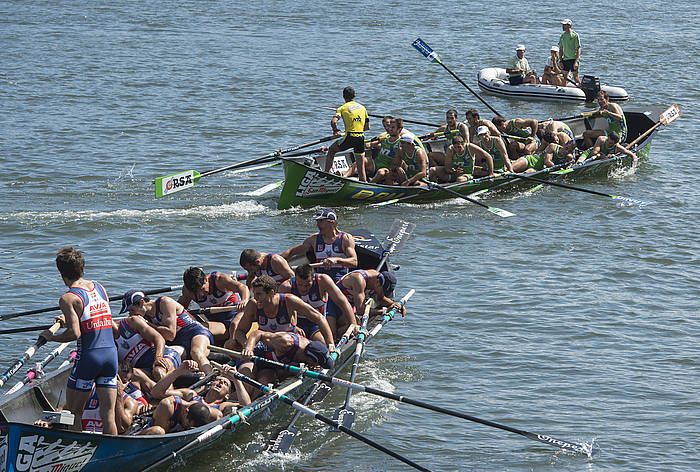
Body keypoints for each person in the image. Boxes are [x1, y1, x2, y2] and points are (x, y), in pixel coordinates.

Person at [39, 247, 118, 435]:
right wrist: (72, 317)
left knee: (74, 414)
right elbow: (111, 325)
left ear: (61, 274)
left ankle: (76, 452)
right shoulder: (100, 288)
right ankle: (113, 451)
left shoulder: (68, 298)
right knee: (108, 415)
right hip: (110, 356)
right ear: (82, 268)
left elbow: (74, 333)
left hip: (89, 358)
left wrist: (52, 338)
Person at [120, 290, 214, 375]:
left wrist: (147, 324)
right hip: (180, 343)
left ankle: (209, 376)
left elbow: (170, 335)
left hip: (195, 332)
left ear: (141, 303)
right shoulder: (142, 317)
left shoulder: (164, 303)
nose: (131, 315)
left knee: (196, 352)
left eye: (132, 310)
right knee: (165, 361)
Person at [280, 263, 357, 341]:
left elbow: (343, 302)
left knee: (322, 343)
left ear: (313, 278)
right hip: (296, 324)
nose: (303, 288)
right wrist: (294, 327)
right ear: (295, 278)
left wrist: (353, 324)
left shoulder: (323, 281)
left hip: (317, 324)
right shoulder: (286, 287)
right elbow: (280, 313)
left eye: (307, 285)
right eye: (299, 284)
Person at [279, 207, 357, 283]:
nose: (317, 225)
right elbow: (292, 251)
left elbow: (354, 262)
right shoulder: (313, 239)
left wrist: (337, 260)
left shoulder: (345, 238)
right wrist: (276, 261)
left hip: (340, 279)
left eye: (321, 221)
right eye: (317, 221)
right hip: (320, 281)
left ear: (332, 222)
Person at [178, 267, 249, 345]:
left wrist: (244, 300)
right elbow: (180, 309)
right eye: (196, 292)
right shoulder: (188, 291)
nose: (201, 294)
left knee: (233, 325)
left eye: (202, 289)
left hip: (233, 319)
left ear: (205, 279)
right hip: (217, 322)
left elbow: (242, 287)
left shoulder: (219, 280)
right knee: (192, 327)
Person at [112, 308, 182, 381]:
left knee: (158, 371)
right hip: (145, 369)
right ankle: (163, 391)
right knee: (133, 374)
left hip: (163, 355)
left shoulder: (131, 322)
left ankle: (168, 391)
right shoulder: (107, 344)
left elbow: (158, 338)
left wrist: (158, 358)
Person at [324, 86, 370, 181]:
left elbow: (333, 121)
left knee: (332, 150)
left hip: (350, 137)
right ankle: (364, 181)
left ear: (343, 96)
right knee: (360, 163)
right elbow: (367, 127)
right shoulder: (363, 108)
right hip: (361, 137)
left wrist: (335, 130)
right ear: (354, 96)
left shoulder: (342, 108)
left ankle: (326, 175)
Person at [335, 269, 405, 316]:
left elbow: (381, 298)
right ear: (378, 283)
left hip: (350, 304)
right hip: (334, 303)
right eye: (383, 291)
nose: (383, 294)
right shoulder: (359, 280)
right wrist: (384, 311)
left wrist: (395, 304)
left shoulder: (377, 277)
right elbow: (360, 310)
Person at [559, 19, 581, 85]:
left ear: (569, 26)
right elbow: (561, 49)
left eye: (564, 25)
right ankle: (564, 91)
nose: (563, 26)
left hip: (573, 59)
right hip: (565, 59)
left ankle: (581, 88)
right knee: (564, 77)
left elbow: (578, 49)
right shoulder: (562, 36)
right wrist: (560, 60)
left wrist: (576, 61)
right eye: (563, 25)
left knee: (575, 77)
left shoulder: (575, 35)